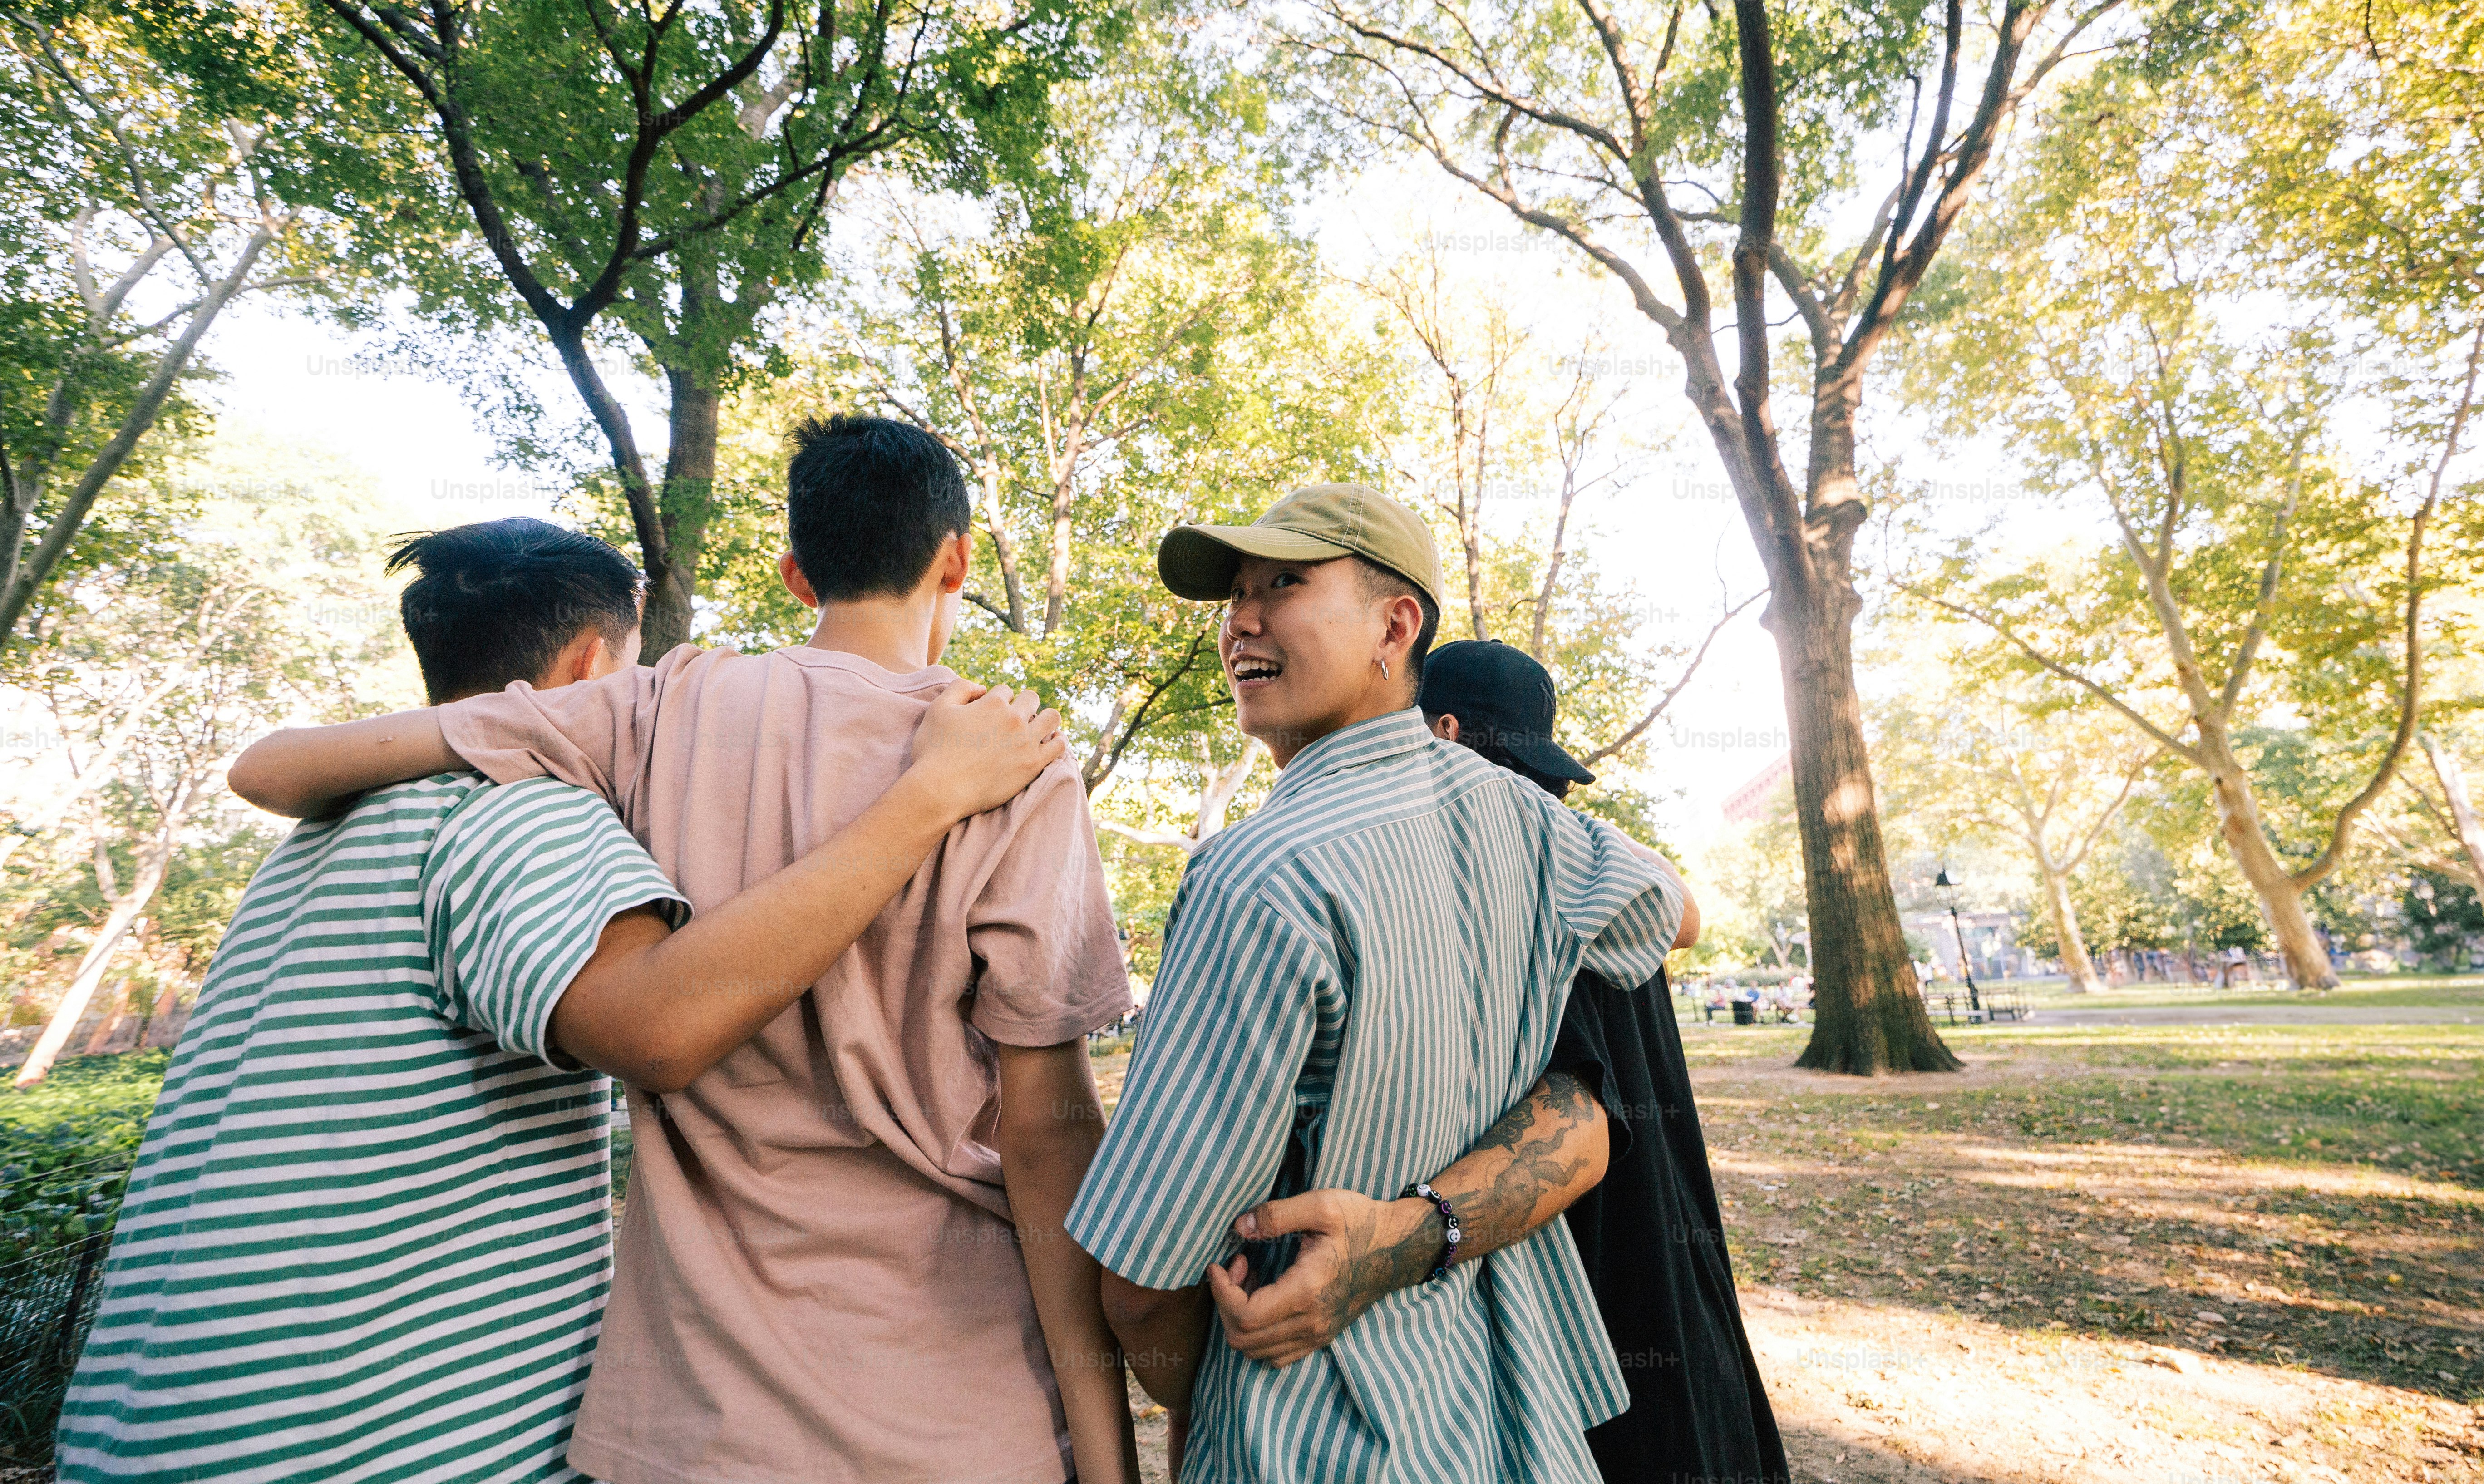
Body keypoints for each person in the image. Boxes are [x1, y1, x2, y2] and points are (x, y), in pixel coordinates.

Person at [223, 419, 1139, 1484]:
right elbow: (1046, 1138)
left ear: (799, 575)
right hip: (955, 1411)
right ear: (957, 560)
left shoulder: (651, 709)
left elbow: (274, 770)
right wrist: (1107, 1454)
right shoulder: (1013, 760)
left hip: (692, 1421)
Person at [1065, 484, 1682, 1484]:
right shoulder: (1537, 825)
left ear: (1396, 625)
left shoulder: (1258, 874)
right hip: (1511, 1416)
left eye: (1284, 586)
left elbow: (1141, 1282)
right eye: (1235, 598)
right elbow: (1669, 912)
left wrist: (1208, 1391)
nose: (1242, 621)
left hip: (1313, 1433)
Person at [1203, 638, 1790, 1484]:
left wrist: (1391, 1245)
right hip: (1673, 1314)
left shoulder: (1518, 881)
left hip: (1590, 1323)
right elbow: (1688, 912)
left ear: (1436, 733)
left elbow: (1579, 1122)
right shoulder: (1596, 871)